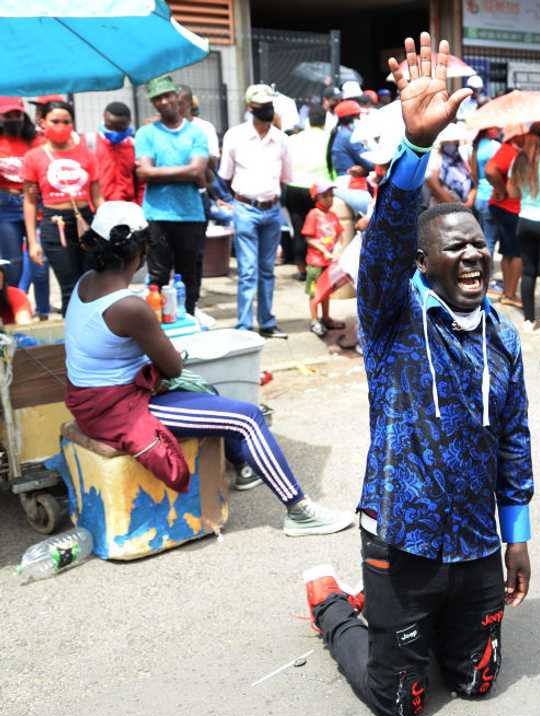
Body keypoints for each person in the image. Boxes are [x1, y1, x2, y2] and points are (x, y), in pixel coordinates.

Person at [302, 34, 532, 716]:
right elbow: (384, 241)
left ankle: (410, 629)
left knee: (479, 681)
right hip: (402, 539)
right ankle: (333, 605)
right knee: (399, 703)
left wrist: (517, 532)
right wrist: (414, 146)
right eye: (455, 246)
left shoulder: (503, 336)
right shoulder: (392, 315)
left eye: (479, 244)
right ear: (423, 262)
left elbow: (514, 437)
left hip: (477, 544)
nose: (473, 255)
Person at [64, 201, 353, 533]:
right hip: (117, 409)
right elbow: (172, 367)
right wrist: (167, 353)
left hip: (93, 400)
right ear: (140, 250)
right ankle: (299, 512)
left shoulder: (87, 282)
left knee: (207, 392)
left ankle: (244, 467)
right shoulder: (129, 306)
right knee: (247, 417)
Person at [219, 84, 292, 338]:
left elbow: (285, 178)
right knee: (248, 271)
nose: (268, 110)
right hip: (245, 209)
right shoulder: (235, 136)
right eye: (263, 106)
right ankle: (244, 326)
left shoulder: (281, 139)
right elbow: (225, 176)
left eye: (270, 105)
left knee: (267, 270)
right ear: (251, 108)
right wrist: (239, 199)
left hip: (271, 210)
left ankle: (267, 323)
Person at [134, 75, 209, 315]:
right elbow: (143, 174)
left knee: (190, 274)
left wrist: (157, 172)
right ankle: (158, 321)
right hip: (156, 214)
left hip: (190, 214)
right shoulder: (146, 134)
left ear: (178, 96)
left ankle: (189, 317)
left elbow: (198, 170)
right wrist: (186, 172)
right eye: (157, 98)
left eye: (167, 95)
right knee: (157, 275)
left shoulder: (196, 133)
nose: (164, 102)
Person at [22, 100, 100, 314]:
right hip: (55, 225)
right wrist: (33, 242)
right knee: (70, 288)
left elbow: (98, 197)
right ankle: (73, 332)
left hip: (86, 222)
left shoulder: (86, 154)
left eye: (67, 122)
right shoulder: (33, 157)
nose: (61, 126)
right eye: (55, 121)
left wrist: (108, 227)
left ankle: (94, 331)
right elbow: (29, 201)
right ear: (42, 122)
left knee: (92, 284)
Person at [509, 121, 540, 332]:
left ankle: (528, 319)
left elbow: (512, 192)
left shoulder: (518, 159)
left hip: (525, 219)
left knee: (528, 272)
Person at [286, 103, 332, 280]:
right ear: (325, 121)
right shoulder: (329, 138)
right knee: (320, 229)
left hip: (294, 187)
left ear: (308, 120)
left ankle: (302, 269)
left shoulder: (294, 139)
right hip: (318, 189)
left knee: (299, 229)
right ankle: (319, 268)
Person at [484, 130, 523, 307]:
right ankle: (510, 294)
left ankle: (508, 292)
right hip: (510, 208)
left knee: (508, 251)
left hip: (503, 207)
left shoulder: (509, 149)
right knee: (516, 252)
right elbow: (490, 170)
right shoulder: (510, 149)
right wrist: (502, 190)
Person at [301, 180, 344, 337]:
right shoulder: (313, 215)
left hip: (329, 262)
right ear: (316, 198)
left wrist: (337, 248)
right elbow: (308, 238)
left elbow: (339, 234)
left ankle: (326, 318)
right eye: (325, 196)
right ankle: (314, 320)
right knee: (315, 292)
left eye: (331, 195)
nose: (329, 199)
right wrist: (324, 250)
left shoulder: (333, 216)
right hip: (316, 262)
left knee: (326, 291)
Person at [0, 97, 33, 291]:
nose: (13, 119)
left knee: (39, 263)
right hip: (6, 205)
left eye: (17, 115)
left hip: (34, 203)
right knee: (13, 262)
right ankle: (14, 300)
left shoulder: (33, 139)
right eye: (8, 115)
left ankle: (40, 305)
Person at [328, 99, 375, 217]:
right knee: (375, 210)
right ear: (352, 118)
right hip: (349, 183)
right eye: (358, 117)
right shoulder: (348, 135)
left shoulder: (344, 132)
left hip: (351, 181)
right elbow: (369, 163)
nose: (360, 119)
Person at [90, 102, 139, 205]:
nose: (114, 131)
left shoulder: (135, 145)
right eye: (110, 126)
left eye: (120, 127)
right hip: (99, 207)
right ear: (104, 117)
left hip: (127, 206)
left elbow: (141, 182)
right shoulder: (90, 143)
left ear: (129, 122)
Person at [426, 123, 474, 205]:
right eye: (447, 142)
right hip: (445, 207)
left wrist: (470, 201)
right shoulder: (435, 159)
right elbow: (434, 186)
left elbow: (473, 180)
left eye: (455, 142)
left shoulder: (461, 157)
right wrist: (455, 206)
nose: (452, 144)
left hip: (465, 204)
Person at [471, 127, 501, 252]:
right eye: (496, 128)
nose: (499, 129)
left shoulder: (476, 146)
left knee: (483, 236)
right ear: (488, 130)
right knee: (490, 239)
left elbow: (474, 173)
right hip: (492, 196)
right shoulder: (495, 147)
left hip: (480, 197)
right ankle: (487, 264)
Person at [176, 85, 220, 167]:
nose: (176, 108)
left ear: (190, 104)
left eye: (180, 104)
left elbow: (214, 160)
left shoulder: (205, 127)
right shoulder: (161, 128)